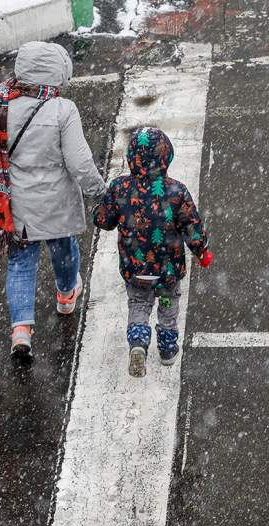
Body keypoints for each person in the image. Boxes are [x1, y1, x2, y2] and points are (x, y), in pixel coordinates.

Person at [0, 41, 106, 364]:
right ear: (56, 74)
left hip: (16, 207)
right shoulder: (63, 110)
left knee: (21, 264)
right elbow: (80, 163)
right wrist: (100, 191)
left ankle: (21, 331)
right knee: (63, 251)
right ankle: (64, 297)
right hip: (57, 205)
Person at [93, 127, 212, 377]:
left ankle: (138, 343)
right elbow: (192, 227)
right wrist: (202, 251)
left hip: (135, 268)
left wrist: (100, 209)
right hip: (167, 271)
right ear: (167, 156)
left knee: (138, 304)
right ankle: (168, 349)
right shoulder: (177, 191)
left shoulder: (120, 187)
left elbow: (104, 220)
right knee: (168, 306)